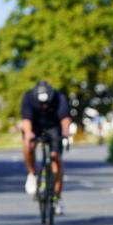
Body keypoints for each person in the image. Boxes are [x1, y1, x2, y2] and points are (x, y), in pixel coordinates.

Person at [21, 80, 72, 215]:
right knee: (28, 144)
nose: (44, 106)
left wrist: (66, 132)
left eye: (46, 103)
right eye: (41, 104)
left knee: (56, 159)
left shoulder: (59, 97)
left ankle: (57, 198)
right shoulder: (29, 97)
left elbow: (65, 118)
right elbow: (26, 120)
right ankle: (32, 174)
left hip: (53, 127)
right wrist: (28, 133)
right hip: (35, 126)